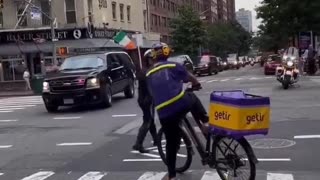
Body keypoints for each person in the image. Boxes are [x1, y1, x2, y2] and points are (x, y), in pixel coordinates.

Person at [146, 42, 209, 180]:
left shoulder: (149, 74)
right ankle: (205, 122)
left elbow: (151, 94)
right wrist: (196, 84)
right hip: (180, 103)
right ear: (167, 52)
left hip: (164, 112)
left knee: (171, 143)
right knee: (192, 97)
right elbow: (191, 78)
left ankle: (172, 175)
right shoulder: (173, 66)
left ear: (153, 56)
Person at [132, 49, 157, 153]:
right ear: (147, 60)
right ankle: (138, 143)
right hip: (147, 100)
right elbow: (149, 88)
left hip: (144, 99)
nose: (153, 61)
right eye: (151, 59)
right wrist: (151, 98)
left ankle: (156, 140)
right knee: (147, 121)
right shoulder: (147, 72)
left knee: (150, 120)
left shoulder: (145, 70)